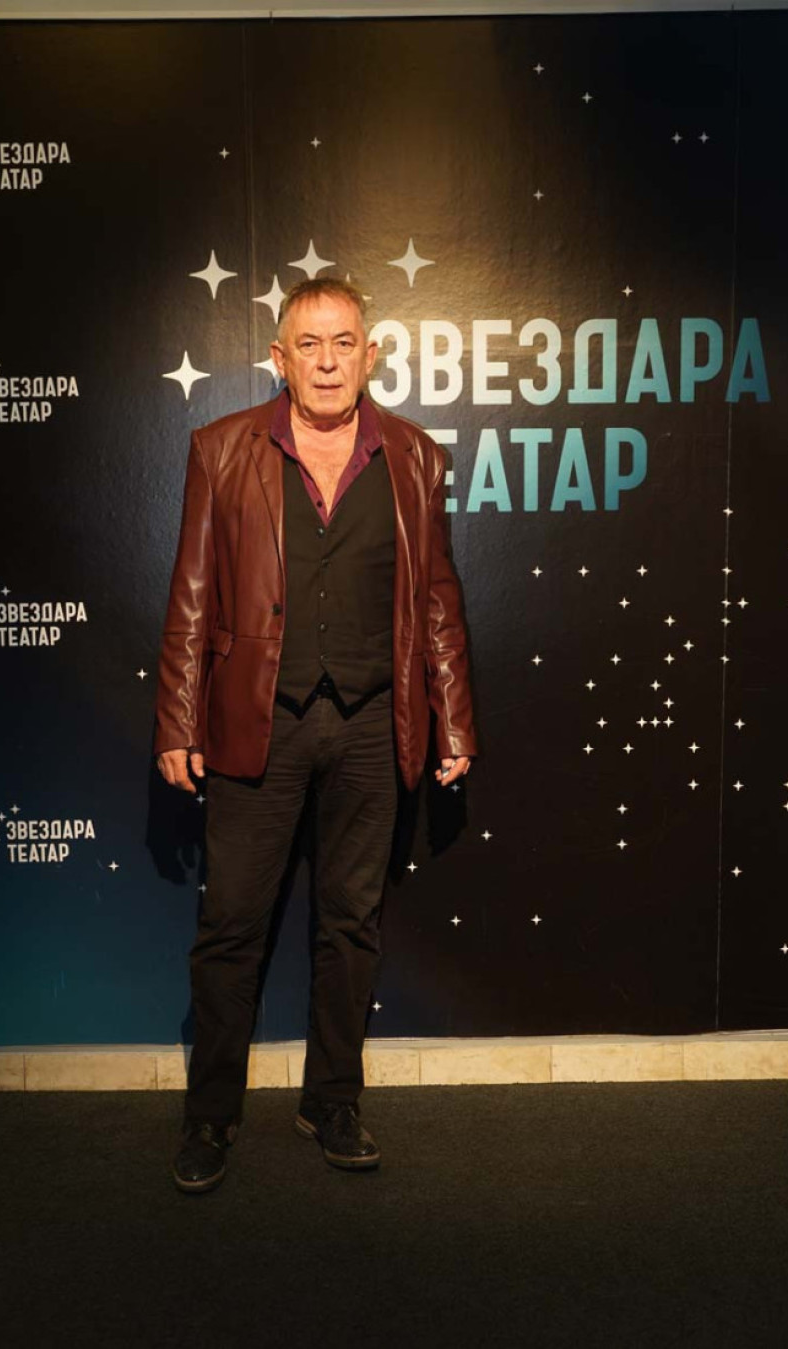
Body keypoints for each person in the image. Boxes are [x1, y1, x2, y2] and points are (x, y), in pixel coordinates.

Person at [154, 278, 476, 1192]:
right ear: (280, 358)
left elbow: (438, 598)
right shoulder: (221, 449)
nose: (328, 362)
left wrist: (454, 716)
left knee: (351, 923)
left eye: (344, 344)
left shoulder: (415, 456)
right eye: (309, 344)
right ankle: (211, 1113)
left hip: (375, 724)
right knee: (231, 924)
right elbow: (190, 594)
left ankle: (332, 1099)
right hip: (259, 719)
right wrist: (177, 718)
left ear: (369, 356)